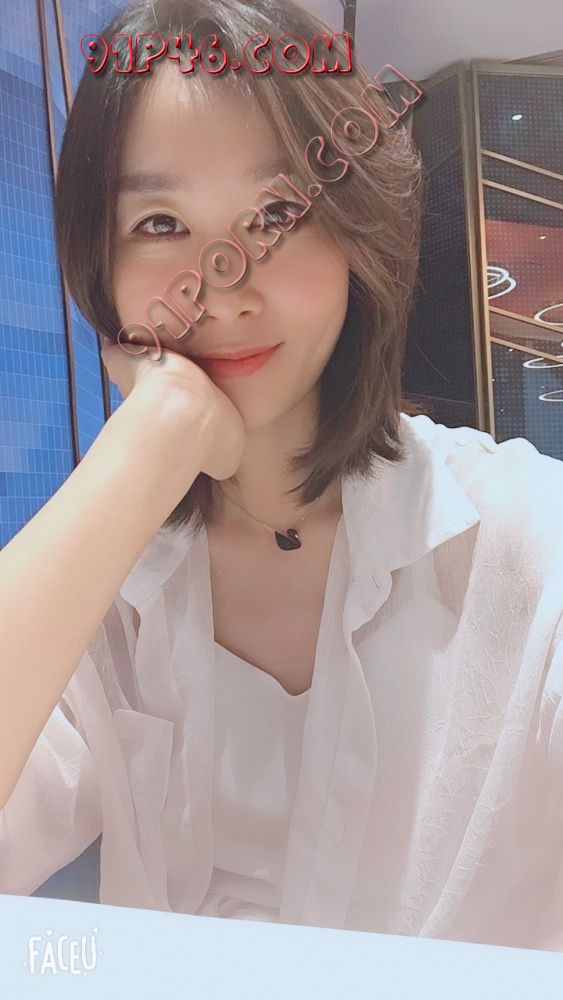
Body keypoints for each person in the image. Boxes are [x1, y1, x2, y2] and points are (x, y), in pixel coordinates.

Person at [1, 0, 562, 952]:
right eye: (160, 221)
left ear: (354, 237)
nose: (222, 288)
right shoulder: (103, 586)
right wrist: (147, 443)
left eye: (274, 215)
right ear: (99, 259)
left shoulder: (523, 538)